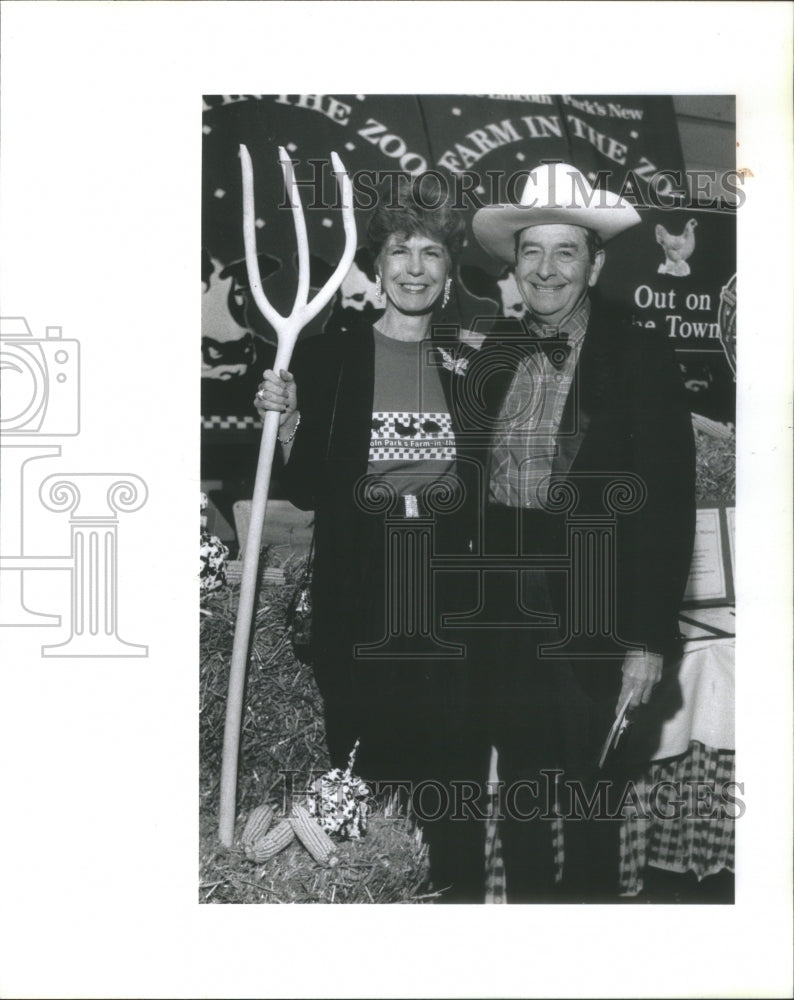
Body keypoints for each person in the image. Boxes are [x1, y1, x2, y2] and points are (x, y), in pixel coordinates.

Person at [465, 162, 696, 901]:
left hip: (597, 603)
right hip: (501, 605)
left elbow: (667, 506)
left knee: (593, 791)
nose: (546, 269)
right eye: (531, 251)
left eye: (566, 252)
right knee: (523, 785)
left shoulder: (640, 352)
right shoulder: (493, 352)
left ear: (594, 264)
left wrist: (647, 640)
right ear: (513, 265)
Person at [255, 175, 487, 902]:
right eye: (399, 252)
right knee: (363, 759)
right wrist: (285, 423)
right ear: (377, 267)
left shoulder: (476, 362)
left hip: (450, 592)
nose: (414, 268)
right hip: (360, 585)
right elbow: (305, 491)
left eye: (430, 254)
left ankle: (451, 896)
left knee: (450, 769)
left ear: (449, 272)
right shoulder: (331, 357)